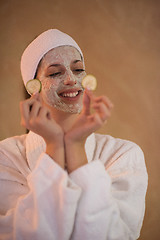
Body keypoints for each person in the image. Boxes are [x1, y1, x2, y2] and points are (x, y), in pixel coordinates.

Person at [0, 29, 148, 240]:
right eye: (55, 73)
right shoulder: (5, 157)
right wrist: (54, 147)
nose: (71, 79)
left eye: (78, 69)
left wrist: (76, 146)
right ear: (33, 87)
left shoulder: (123, 154)